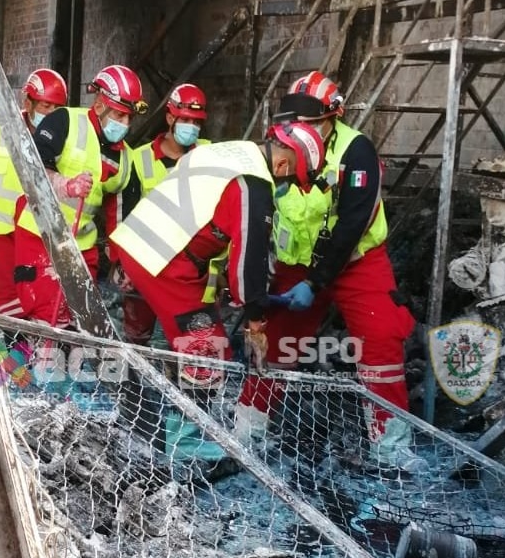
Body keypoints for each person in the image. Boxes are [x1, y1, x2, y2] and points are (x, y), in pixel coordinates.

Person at [235, 72, 421, 471]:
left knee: (381, 339)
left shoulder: (356, 152)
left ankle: (392, 450)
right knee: (275, 344)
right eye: (295, 124)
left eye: (310, 124)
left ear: (332, 117)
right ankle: (247, 432)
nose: (301, 132)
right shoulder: (280, 146)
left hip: (356, 264)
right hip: (295, 264)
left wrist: (317, 281)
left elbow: (355, 221)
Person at [110, 122, 325, 462]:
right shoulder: (254, 185)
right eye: (289, 182)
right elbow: (248, 261)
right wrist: (256, 321)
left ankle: (153, 417)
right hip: (165, 260)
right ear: (283, 166)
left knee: (184, 339)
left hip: (143, 243)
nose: (283, 188)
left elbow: (199, 210)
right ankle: (185, 441)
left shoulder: (230, 151)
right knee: (207, 347)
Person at [13, 64, 141, 328]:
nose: (124, 124)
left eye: (129, 118)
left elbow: (121, 217)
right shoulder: (64, 122)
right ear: (99, 105)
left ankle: (37, 365)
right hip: (41, 236)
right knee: (46, 317)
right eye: (119, 114)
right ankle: (7, 366)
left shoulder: (126, 160)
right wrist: (65, 185)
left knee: (80, 321)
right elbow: (32, 167)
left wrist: (121, 263)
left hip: (82, 245)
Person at [0, 68, 68, 316]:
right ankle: (7, 352)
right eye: (45, 106)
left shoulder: (62, 138)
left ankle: (23, 351)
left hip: (35, 233)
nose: (51, 114)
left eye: (57, 109)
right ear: (28, 102)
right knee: (8, 300)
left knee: (36, 298)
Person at [117, 83, 211, 346]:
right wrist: (125, 264)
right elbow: (128, 217)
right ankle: (132, 382)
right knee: (138, 338)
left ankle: (182, 383)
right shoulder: (139, 158)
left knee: (189, 338)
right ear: (170, 118)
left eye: (197, 121)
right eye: (185, 120)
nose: (192, 127)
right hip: (147, 261)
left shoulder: (208, 154)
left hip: (190, 266)